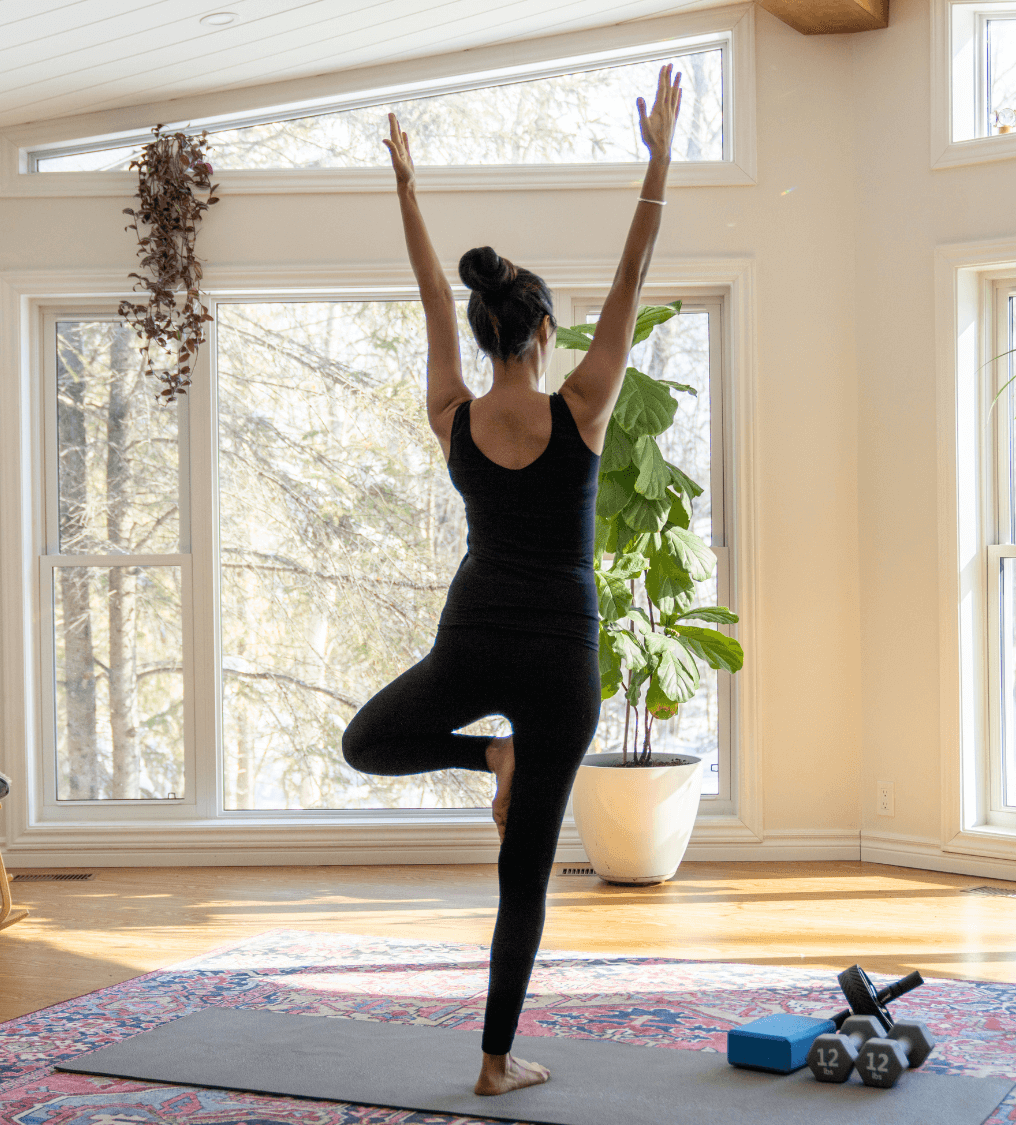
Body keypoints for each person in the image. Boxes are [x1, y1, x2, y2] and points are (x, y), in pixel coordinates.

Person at [339, 67, 682, 1096]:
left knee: (368, 743)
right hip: (560, 660)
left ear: (485, 333)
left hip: (475, 634)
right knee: (522, 872)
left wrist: (404, 189)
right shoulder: (583, 403)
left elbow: (426, 292)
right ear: (540, 334)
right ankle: (494, 1062)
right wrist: (658, 161)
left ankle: (482, 756)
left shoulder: (452, 412)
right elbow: (631, 280)